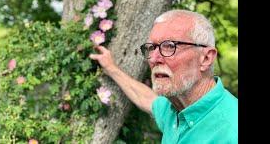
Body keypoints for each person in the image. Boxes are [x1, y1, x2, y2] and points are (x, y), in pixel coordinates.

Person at [89, 10, 238, 143]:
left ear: (205, 58)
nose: (153, 59)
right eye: (151, 48)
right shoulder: (175, 108)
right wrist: (111, 68)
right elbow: (147, 98)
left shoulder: (231, 131)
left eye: (170, 46)